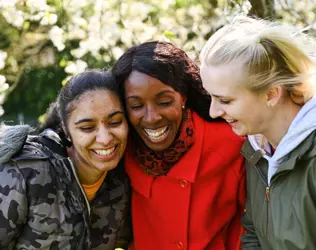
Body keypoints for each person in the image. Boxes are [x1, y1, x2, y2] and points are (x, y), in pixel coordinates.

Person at [111, 41, 245, 250]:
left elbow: (256, 225)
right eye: (136, 106)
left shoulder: (230, 145)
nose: (151, 117)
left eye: (164, 102)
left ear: (182, 96)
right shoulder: (121, 149)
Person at [200, 16, 316, 250]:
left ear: (271, 94)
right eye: (210, 97)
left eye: (225, 100)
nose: (213, 112)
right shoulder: (257, 151)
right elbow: (253, 230)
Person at [0, 70, 131, 249]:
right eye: (87, 127)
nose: (105, 138)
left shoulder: (121, 183)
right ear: (66, 130)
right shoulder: (23, 173)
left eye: (115, 122)